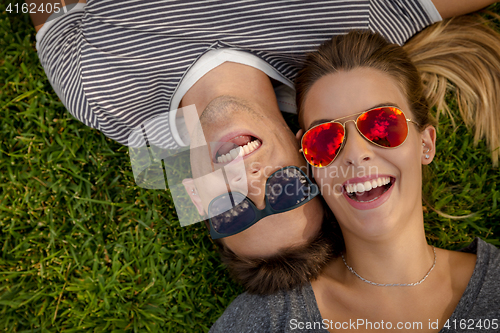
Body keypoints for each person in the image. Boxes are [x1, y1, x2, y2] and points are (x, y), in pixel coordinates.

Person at [29, 1, 498, 293]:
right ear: (308, 153)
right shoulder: (346, 37)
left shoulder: (100, 93)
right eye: (286, 191)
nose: (252, 182)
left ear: (194, 197)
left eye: (234, 209)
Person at [209, 15, 500, 332]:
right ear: (307, 162)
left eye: (382, 125)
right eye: (325, 139)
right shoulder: (267, 321)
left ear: (425, 144)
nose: (355, 154)